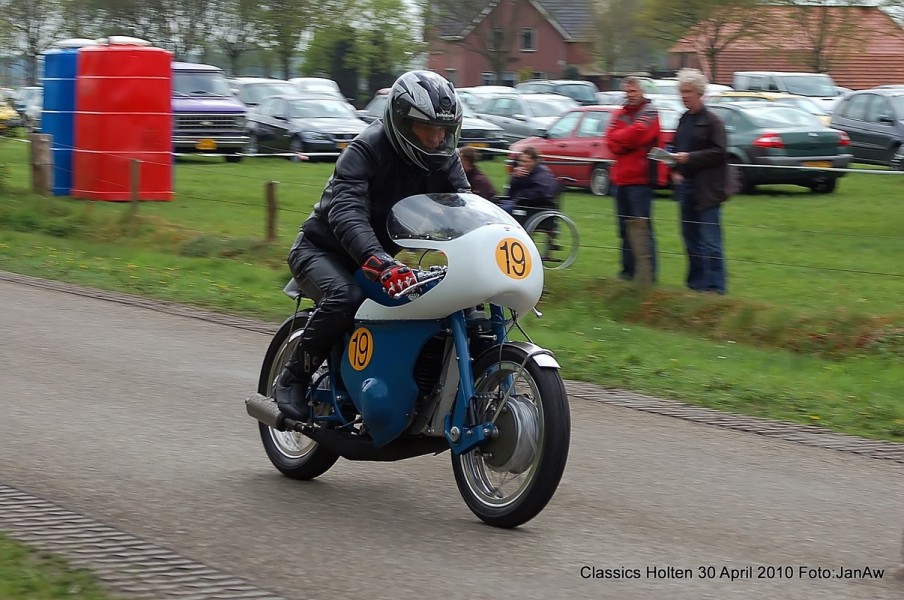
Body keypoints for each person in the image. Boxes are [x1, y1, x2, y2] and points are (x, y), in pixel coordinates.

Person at [274, 70, 470, 421]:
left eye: (445, 130)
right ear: (403, 123)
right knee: (343, 298)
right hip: (322, 251)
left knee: (447, 301)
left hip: (381, 259)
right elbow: (346, 212)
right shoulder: (366, 149)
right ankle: (293, 379)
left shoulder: (445, 158)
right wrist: (376, 258)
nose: (438, 138)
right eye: (429, 129)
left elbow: (465, 208)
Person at [671, 68, 731, 294]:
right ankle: (696, 284)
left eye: (688, 91)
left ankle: (716, 288)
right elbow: (677, 148)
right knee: (690, 239)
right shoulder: (683, 119)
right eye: (681, 91)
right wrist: (676, 168)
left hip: (707, 190)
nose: (684, 96)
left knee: (711, 242)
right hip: (685, 188)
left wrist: (690, 158)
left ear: (699, 92)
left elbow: (720, 152)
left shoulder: (713, 122)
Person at [604, 75, 661, 282]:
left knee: (642, 229)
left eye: (634, 91)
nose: (630, 95)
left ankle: (647, 275)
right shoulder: (620, 113)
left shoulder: (650, 112)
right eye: (627, 91)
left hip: (640, 179)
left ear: (642, 92)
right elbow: (610, 141)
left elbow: (640, 134)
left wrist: (623, 139)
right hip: (621, 179)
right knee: (624, 230)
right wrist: (626, 141)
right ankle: (627, 273)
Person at [498, 146, 559, 213]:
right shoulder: (522, 173)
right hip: (516, 202)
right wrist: (516, 177)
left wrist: (518, 197)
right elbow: (510, 192)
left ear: (535, 161)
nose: (521, 164)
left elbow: (540, 194)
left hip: (530, 206)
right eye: (520, 161)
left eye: (525, 161)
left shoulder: (542, 175)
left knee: (500, 212)